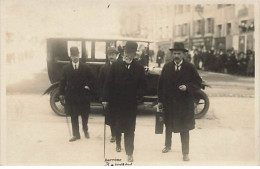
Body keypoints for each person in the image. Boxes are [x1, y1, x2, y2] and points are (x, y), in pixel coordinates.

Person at [102, 41, 146, 162]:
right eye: (126, 52)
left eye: (130, 53)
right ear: (123, 52)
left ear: (134, 54)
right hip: (116, 103)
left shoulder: (139, 68)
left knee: (130, 129)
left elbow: (142, 86)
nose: (127, 55)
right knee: (117, 125)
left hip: (130, 105)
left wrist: (138, 98)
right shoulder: (115, 65)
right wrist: (105, 99)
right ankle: (117, 143)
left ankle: (129, 152)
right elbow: (108, 83)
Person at [157, 42, 202, 161]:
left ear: (183, 54)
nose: (176, 55)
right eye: (174, 53)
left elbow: (198, 82)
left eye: (179, 53)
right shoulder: (167, 67)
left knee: (184, 128)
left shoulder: (190, 67)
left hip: (184, 104)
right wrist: (160, 101)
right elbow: (160, 85)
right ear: (172, 54)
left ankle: (185, 153)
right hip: (169, 103)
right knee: (168, 125)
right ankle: (167, 145)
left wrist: (187, 87)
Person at [59, 47, 95, 142]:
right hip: (71, 96)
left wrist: (88, 86)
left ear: (79, 55)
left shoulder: (85, 67)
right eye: (73, 55)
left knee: (85, 114)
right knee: (73, 115)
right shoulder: (66, 68)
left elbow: (93, 79)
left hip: (83, 95)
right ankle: (76, 134)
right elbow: (62, 82)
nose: (75, 57)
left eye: (77, 55)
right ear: (70, 56)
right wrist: (61, 94)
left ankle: (85, 130)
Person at [98, 47, 119, 143]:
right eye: (109, 55)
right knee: (110, 117)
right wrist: (103, 98)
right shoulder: (104, 68)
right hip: (108, 97)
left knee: (119, 117)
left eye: (113, 54)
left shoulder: (121, 66)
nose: (111, 56)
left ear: (116, 55)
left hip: (119, 97)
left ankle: (118, 134)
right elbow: (100, 84)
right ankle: (114, 135)